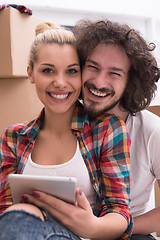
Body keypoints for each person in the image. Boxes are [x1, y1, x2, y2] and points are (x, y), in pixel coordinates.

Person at [0, 22, 132, 240]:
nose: (60, 82)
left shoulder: (107, 129)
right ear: (30, 73)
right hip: (22, 232)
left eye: (71, 71)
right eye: (48, 70)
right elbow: (5, 209)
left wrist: (92, 227)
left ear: (81, 76)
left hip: (86, 236)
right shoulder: (14, 137)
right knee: (16, 218)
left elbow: (120, 212)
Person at [73, 19, 160, 240]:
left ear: (131, 82)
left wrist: (115, 227)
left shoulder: (151, 130)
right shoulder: (63, 120)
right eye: (92, 67)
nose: (99, 82)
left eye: (114, 73)